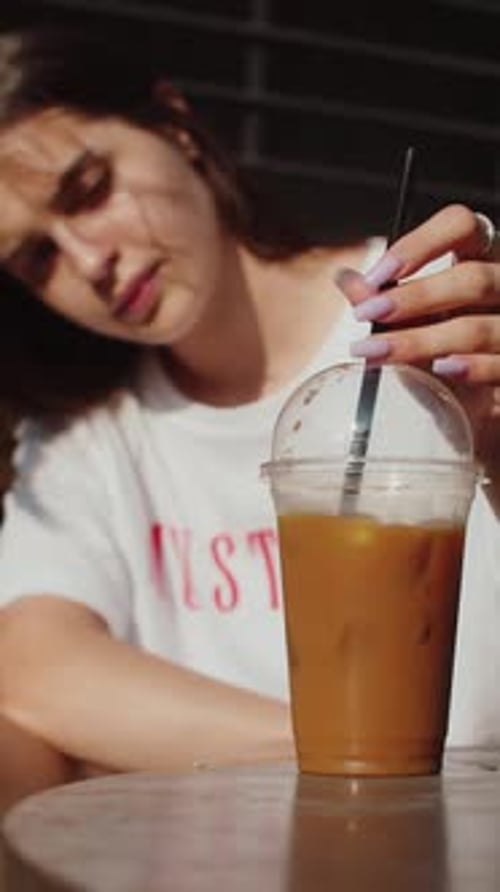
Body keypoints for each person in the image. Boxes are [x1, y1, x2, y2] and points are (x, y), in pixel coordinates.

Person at [0, 24, 499, 790]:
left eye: (90, 191)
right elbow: (32, 666)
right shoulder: (87, 431)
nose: (91, 262)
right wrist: (364, 754)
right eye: (39, 257)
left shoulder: (435, 321)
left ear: (176, 127)